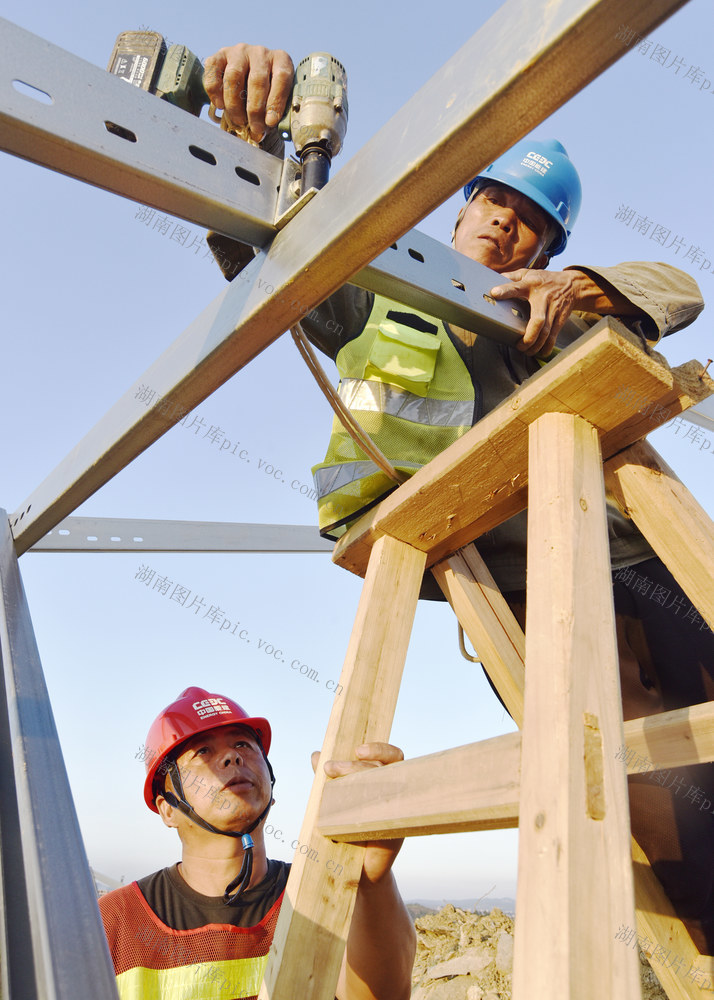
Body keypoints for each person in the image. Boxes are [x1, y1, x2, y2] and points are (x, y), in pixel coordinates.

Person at [203, 46, 714, 953]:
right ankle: (703, 918)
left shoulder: (545, 313)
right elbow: (270, 256)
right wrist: (240, 151)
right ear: (462, 205)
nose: (507, 228)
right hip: (511, 574)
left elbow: (681, 290)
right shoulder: (379, 298)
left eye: (532, 225)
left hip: (636, 558)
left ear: (550, 249)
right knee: (637, 752)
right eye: (495, 204)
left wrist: (594, 290)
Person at [99, 687, 415, 1000]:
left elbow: (382, 995)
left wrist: (373, 882)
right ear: (167, 808)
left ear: (271, 786)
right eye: (203, 752)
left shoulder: (323, 893)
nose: (232, 756)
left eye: (243, 744)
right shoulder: (113, 921)